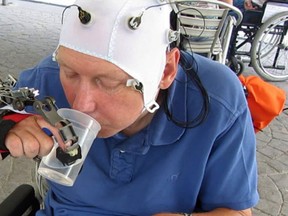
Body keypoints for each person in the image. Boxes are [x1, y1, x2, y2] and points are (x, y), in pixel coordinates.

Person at [0, 0, 259, 215]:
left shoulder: (216, 97)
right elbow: (7, 109)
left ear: (166, 71)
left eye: (108, 82)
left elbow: (237, 211)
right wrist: (6, 130)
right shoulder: (48, 77)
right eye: (71, 73)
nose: (81, 104)